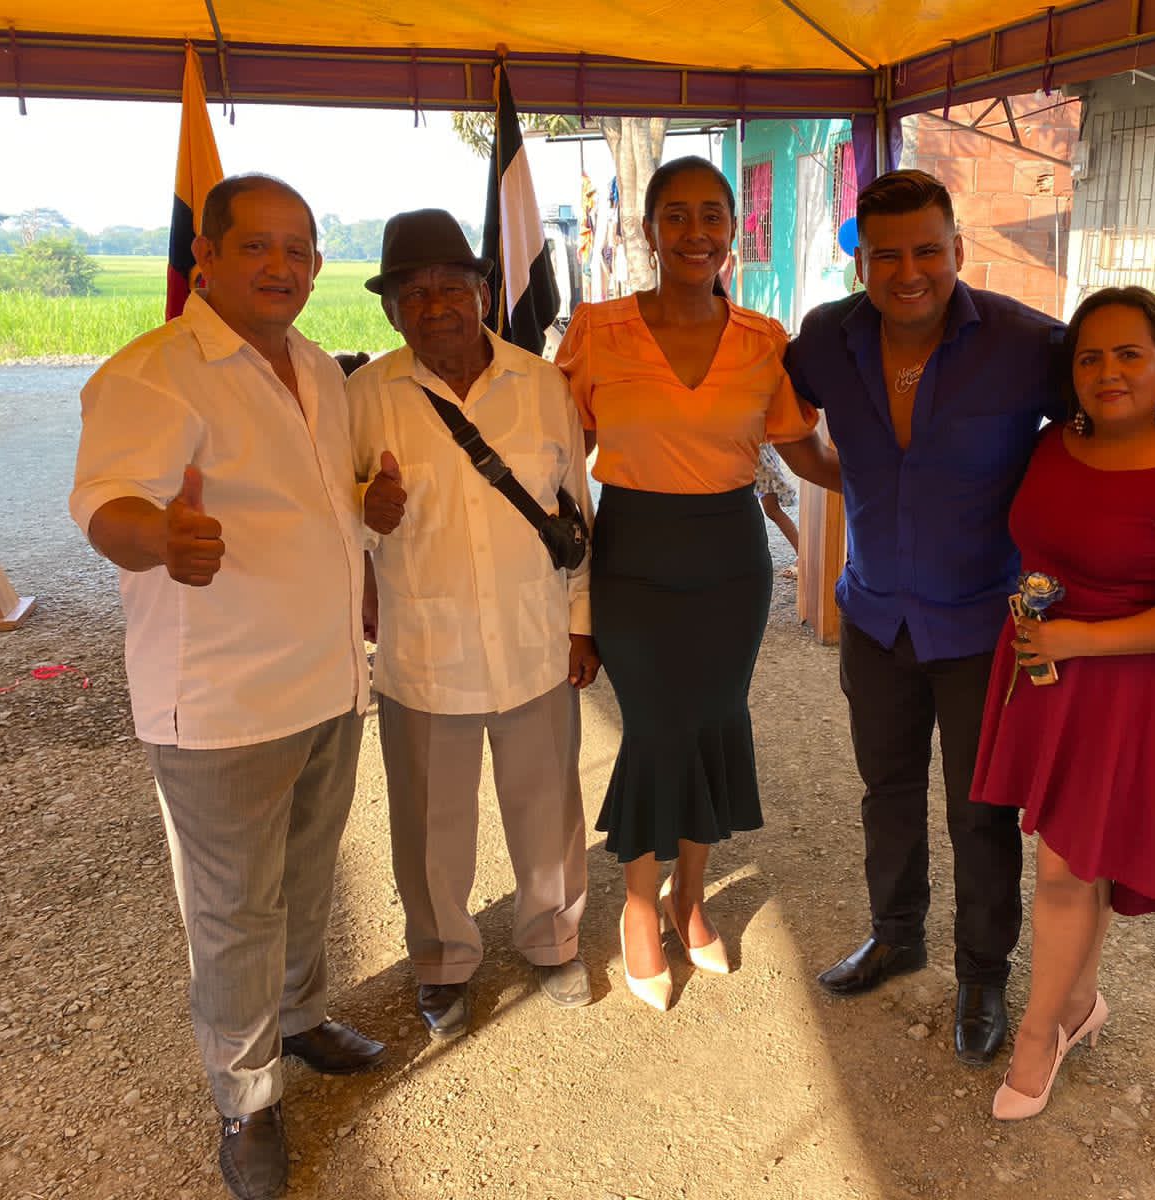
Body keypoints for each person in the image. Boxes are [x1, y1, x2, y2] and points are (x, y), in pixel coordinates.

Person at [69, 173, 388, 1200]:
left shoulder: (318, 368)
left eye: (298, 248)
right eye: (255, 245)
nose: (280, 266)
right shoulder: (154, 373)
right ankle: (246, 1100)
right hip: (223, 700)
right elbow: (106, 503)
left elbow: (313, 497)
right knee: (234, 910)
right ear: (204, 256)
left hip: (326, 682)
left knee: (306, 875)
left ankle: (297, 1018)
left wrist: (365, 504)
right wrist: (160, 538)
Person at [785, 168, 1067, 1066]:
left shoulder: (1025, 342)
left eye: (928, 252)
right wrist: (845, 475)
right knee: (888, 792)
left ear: (958, 251)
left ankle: (983, 973)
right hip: (875, 618)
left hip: (983, 627)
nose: (909, 273)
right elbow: (773, 406)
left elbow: (1106, 426)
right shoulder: (827, 338)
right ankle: (896, 933)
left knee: (981, 811)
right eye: (886, 256)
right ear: (860, 262)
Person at [555, 156, 841, 1012]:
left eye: (712, 214)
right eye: (675, 215)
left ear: (731, 230)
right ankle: (640, 907)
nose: (695, 232)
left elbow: (802, 451)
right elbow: (556, 456)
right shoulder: (599, 332)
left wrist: (901, 475)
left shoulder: (763, 341)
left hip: (728, 559)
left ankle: (690, 895)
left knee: (715, 722)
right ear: (649, 230)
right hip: (634, 554)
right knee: (654, 728)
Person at [969, 288, 1155, 1120]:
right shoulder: (1053, 446)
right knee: (1075, 860)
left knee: (1065, 868)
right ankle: (1080, 1004)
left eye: (1129, 355)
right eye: (1089, 357)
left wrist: (1079, 639)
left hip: (1124, 690)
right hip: (1044, 676)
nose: (1107, 371)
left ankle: (1037, 1037)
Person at [348, 209, 598, 1040]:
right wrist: (364, 508)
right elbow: (334, 520)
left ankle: (553, 938)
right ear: (391, 311)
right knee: (429, 828)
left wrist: (581, 622)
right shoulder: (363, 397)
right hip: (426, 655)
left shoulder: (543, 385)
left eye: (451, 288)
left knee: (547, 809)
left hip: (532, 642)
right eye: (413, 294)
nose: (434, 307)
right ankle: (441, 962)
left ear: (483, 294)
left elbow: (574, 515)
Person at [754, 441, 801, 577]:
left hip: (758, 460)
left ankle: (802, 554)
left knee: (772, 510)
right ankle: (802, 553)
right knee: (771, 510)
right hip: (757, 457)